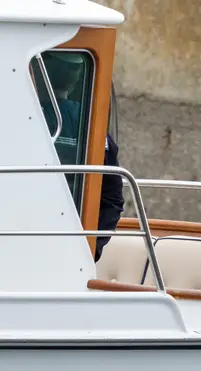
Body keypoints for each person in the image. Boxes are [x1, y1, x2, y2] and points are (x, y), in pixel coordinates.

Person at [36, 53, 125, 262]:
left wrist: (90, 248)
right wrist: (90, 248)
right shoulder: (89, 120)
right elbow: (112, 195)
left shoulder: (86, 121)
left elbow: (111, 194)